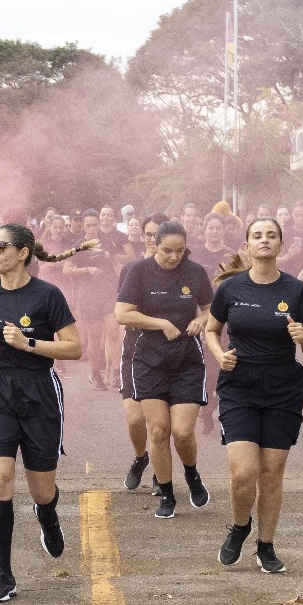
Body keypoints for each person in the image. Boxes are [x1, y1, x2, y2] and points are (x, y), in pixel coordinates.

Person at [0, 223, 83, 603]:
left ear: (23, 253)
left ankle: (46, 514)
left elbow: (75, 348)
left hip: (39, 391)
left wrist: (29, 343)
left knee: (42, 488)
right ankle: (4, 575)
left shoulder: (48, 295)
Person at [206, 219, 303, 574]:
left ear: (281, 245)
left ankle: (266, 546)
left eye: (271, 236)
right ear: (247, 246)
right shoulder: (230, 289)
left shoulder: (297, 290)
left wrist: (302, 337)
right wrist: (219, 354)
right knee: (244, 473)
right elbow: (212, 329)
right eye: (258, 236)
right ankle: (240, 527)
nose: (264, 241)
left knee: (271, 473)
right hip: (239, 386)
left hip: (283, 388)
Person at [115, 220, 214, 520]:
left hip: (186, 358)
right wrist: (161, 323)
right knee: (158, 430)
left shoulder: (195, 272)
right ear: (154, 246)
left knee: (183, 432)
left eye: (180, 251)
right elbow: (122, 313)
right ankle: (167, 494)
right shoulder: (139, 271)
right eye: (167, 251)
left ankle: (192, 474)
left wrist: (201, 320)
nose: (174, 257)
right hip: (148, 358)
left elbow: (211, 309)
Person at [119, 213, 165, 493]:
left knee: (160, 424)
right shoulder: (132, 269)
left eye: (157, 234)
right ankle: (140, 458)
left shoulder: (182, 271)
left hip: (168, 352)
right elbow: (121, 312)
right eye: (148, 234)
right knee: (135, 418)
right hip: (135, 348)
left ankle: (162, 474)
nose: (151, 239)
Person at [64, 210, 118, 390]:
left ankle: (117, 373)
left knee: (113, 332)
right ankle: (95, 374)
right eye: (88, 225)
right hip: (87, 296)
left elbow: (117, 266)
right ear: (84, 226)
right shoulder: (78, 245)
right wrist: (87, 269)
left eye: (95, 225)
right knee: (94, 338)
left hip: (108, 294)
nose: (92, 228)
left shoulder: (107, 242)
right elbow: (67, 269)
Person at [192, 214, 234, 434]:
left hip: (227, 314)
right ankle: (206, 412)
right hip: (202, 313)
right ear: (205, 229)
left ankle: (217, 404)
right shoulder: (196, 253)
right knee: (208, 366)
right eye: (211, 228)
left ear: (223, 231)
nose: (215, 232)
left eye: (218, 228)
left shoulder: (230, 255)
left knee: (225, 363)